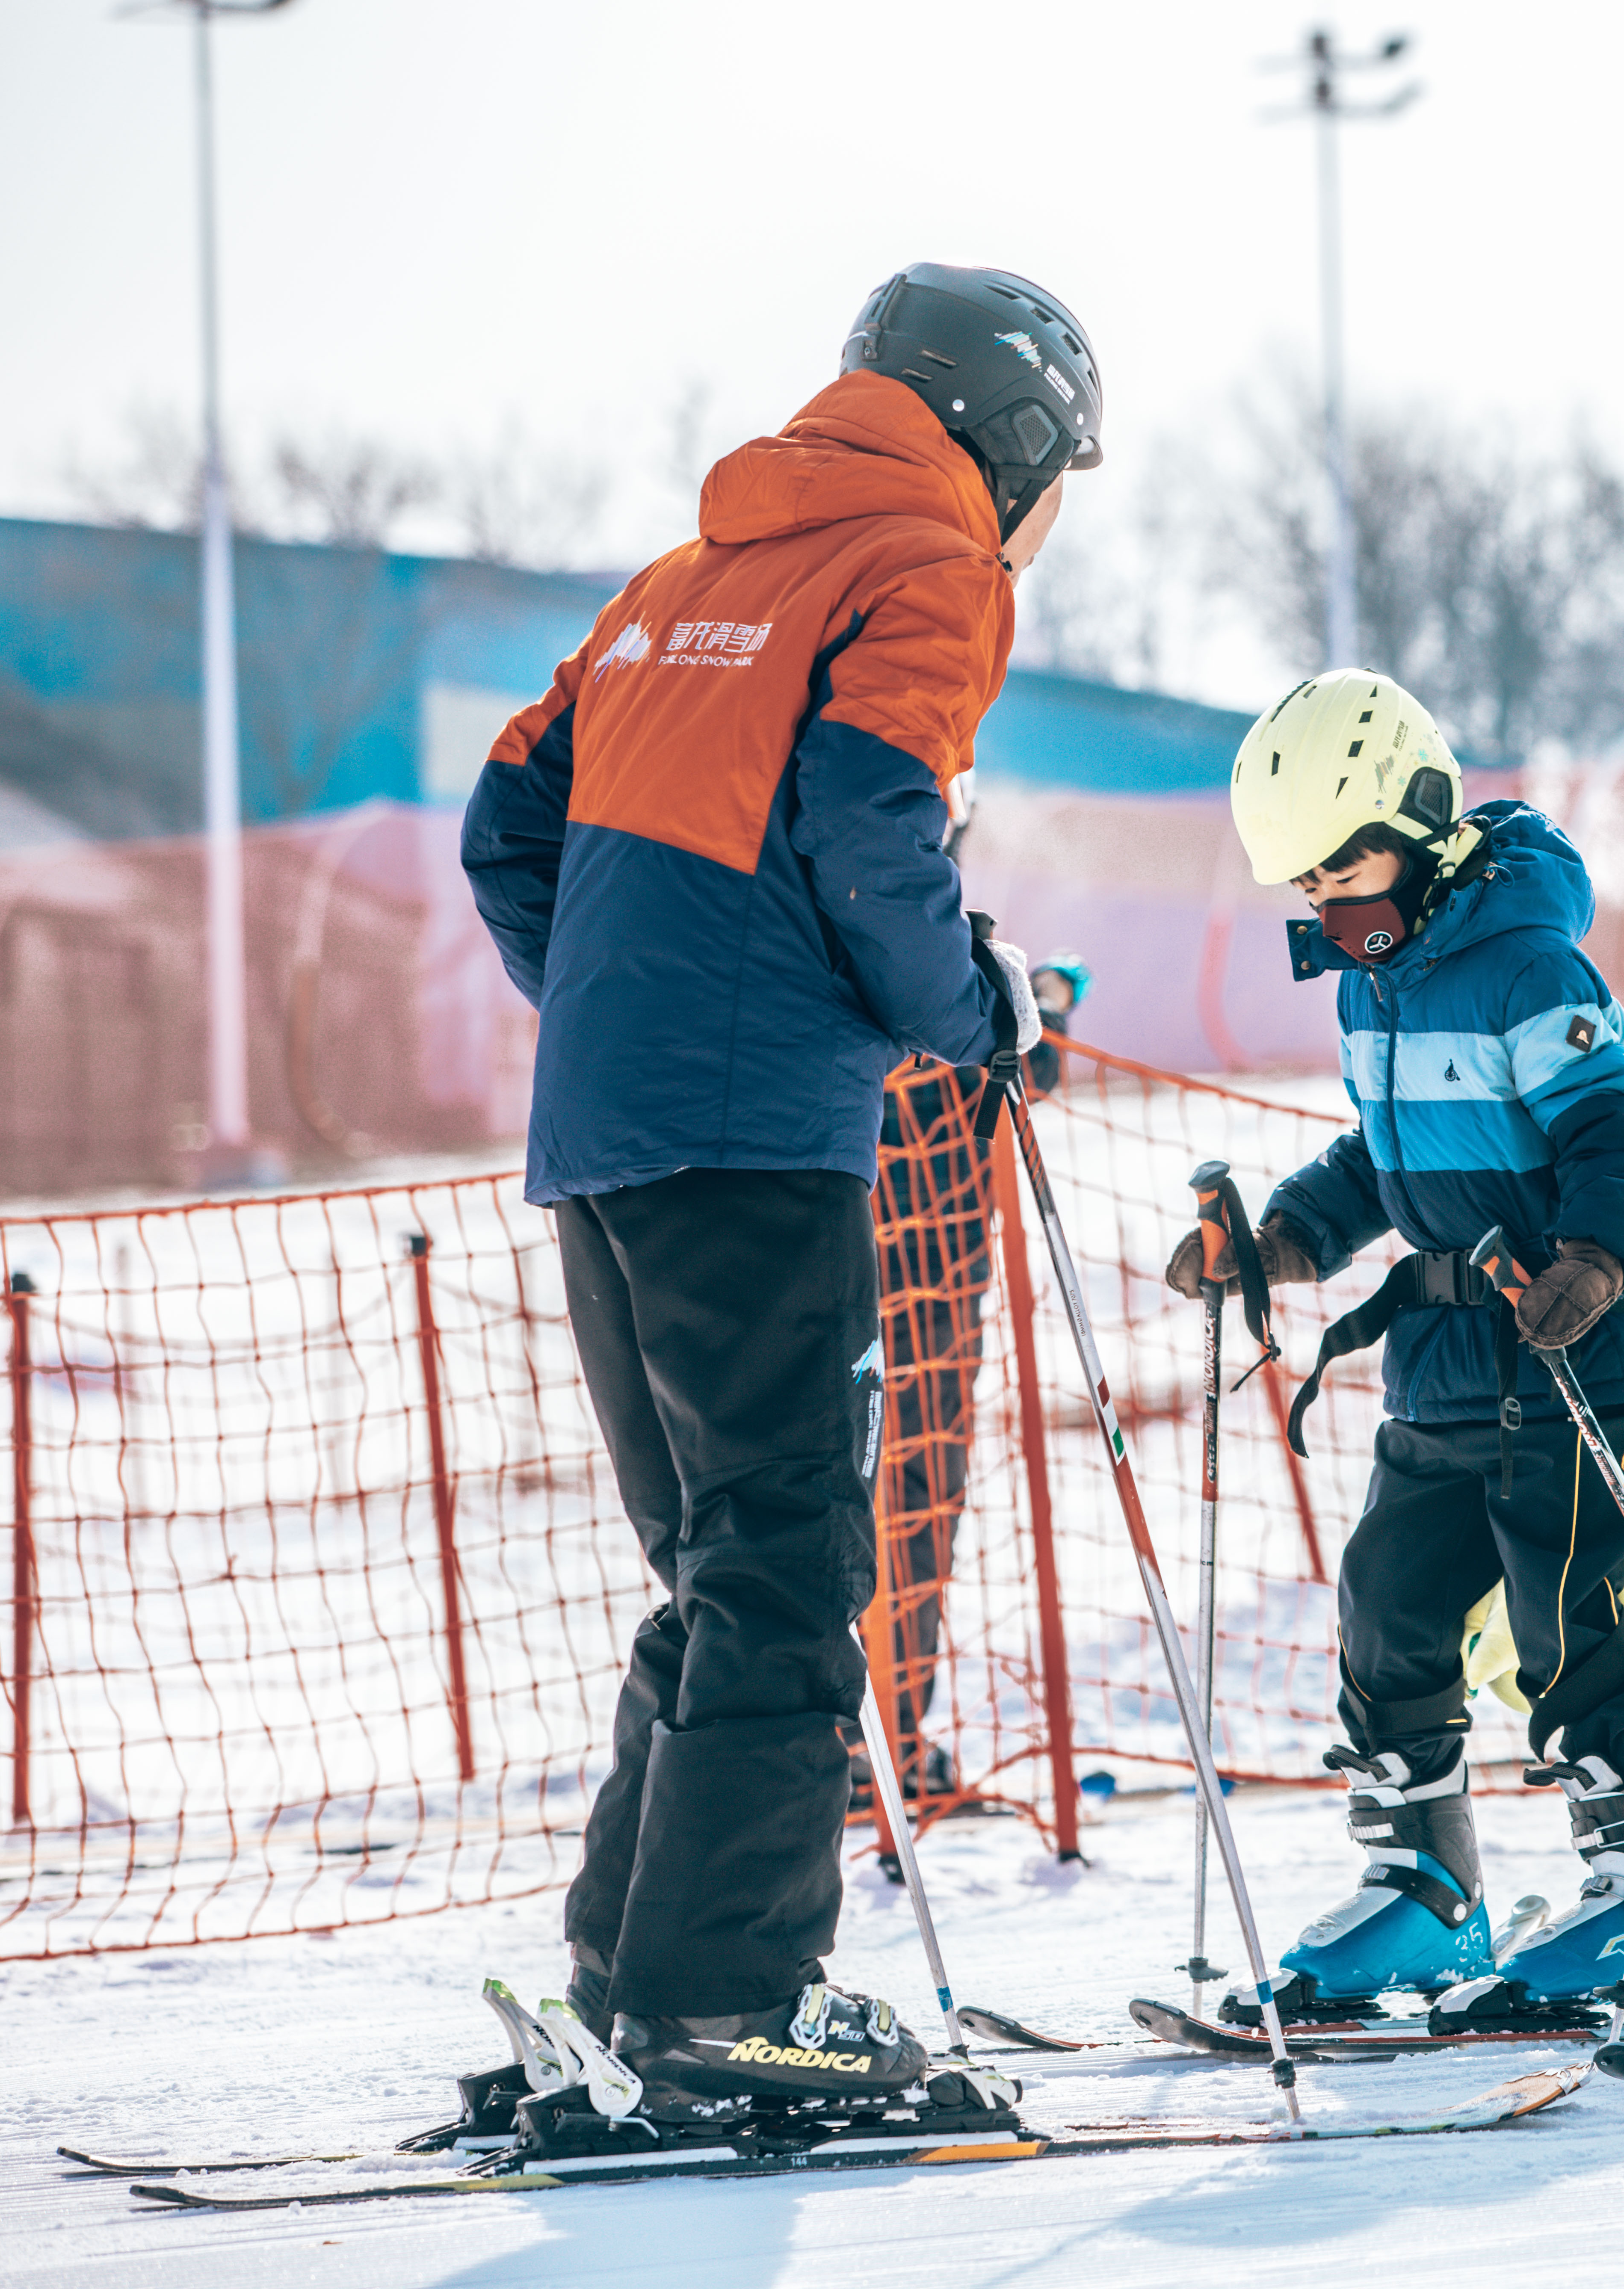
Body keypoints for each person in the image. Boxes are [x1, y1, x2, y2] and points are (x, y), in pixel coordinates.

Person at [460, 263, 1097, 2117]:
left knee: (721, 1566)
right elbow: (869, 810)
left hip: (607, 1127)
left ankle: (630, 1979)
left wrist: (617, 1005)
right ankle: (727, 2002)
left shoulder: (679, 580)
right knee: (792, 1567)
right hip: (753, 1133)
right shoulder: (927, 564)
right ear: (1012, 436)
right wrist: (963, 1003)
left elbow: (511, 828)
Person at [1158, 669, 1624, 2018]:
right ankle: (1426, 1892)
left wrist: (1594, 1258)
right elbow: (1383, 1152)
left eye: (1343, 864)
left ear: (1419, 818)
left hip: (1570, 1362)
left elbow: (1621, 1140)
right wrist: (1285, 1238)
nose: (1329, 901)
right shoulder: (1377, 989)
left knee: (1569, 1628)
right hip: (1439, 1370)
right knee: (1386, 1611)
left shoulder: (1532, 967)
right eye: (1306, 882)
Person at [865, 954, 1089, 1819]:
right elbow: (1030, 1065)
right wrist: (1048, 1005)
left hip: (858, 1276)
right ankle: (879, 1741)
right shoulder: (960, 956)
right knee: (908, 1505)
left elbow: (1024, 1067)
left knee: (858, 1506)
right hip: (924, 1286)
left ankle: (871, 1739)